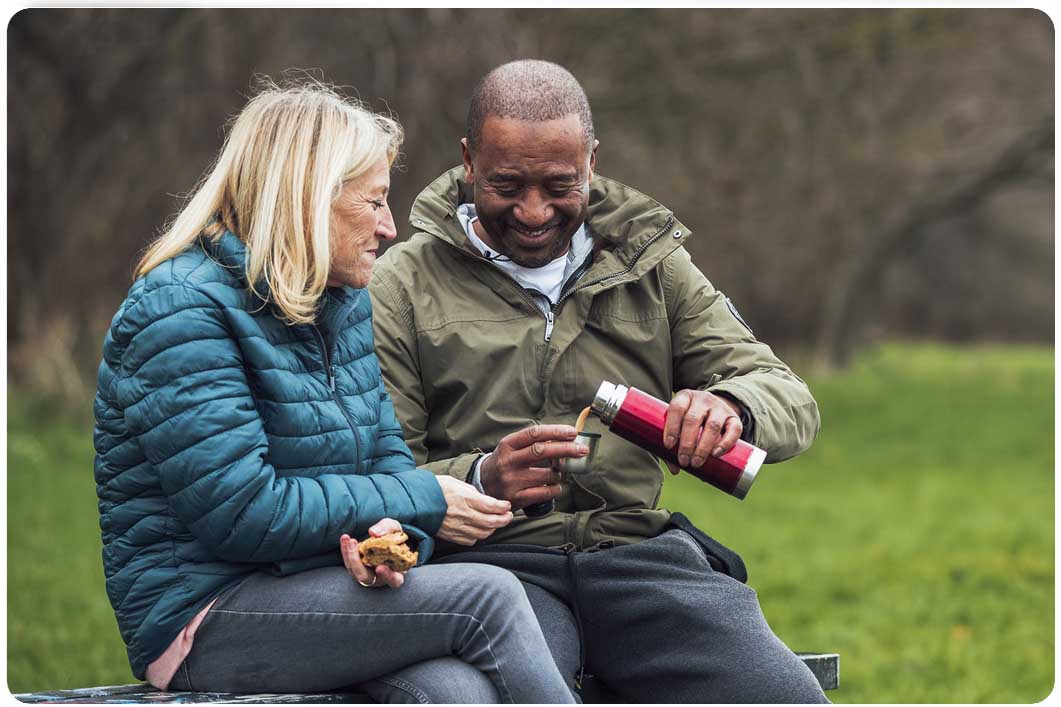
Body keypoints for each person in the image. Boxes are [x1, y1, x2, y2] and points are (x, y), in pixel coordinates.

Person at [92, 79, 577, 704]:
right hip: (205, 616)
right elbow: (242, 512)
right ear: (308, 198)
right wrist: (426, 498)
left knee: (454, 692)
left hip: (322, 591)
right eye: (373, 202)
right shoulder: (179, 310)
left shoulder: (340, 304)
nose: (390, 227)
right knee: (488, 595)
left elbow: (385, 465)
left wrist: (391, 546)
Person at [369, 60, 829, 703]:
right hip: (491, 569)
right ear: (468, 161)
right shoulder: (401, 283)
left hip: (641, 555)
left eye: (559, 185)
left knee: (783, 694)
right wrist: (482, 478)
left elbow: (787, 395)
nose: (533, 212)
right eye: (507, 184)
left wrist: (732, 406)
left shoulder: (654, 266)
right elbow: (380, 469)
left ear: (591, 160)